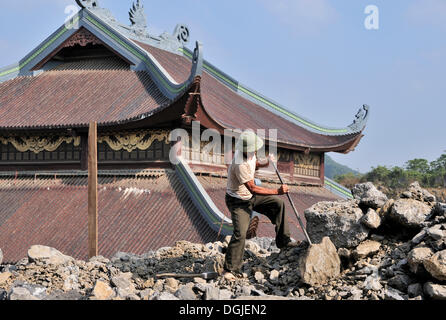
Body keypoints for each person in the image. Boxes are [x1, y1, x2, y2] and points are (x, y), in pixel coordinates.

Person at [223, 131, 300, 280]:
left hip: (250, 197)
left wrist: (266, 162)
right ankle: (229, 269)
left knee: (278, 204)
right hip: (238, 201)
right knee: (241, 233)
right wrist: (277, 191)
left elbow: (255, 165)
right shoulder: (240, 163)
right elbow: (253, 187)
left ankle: (283, 241)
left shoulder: (250, 155)